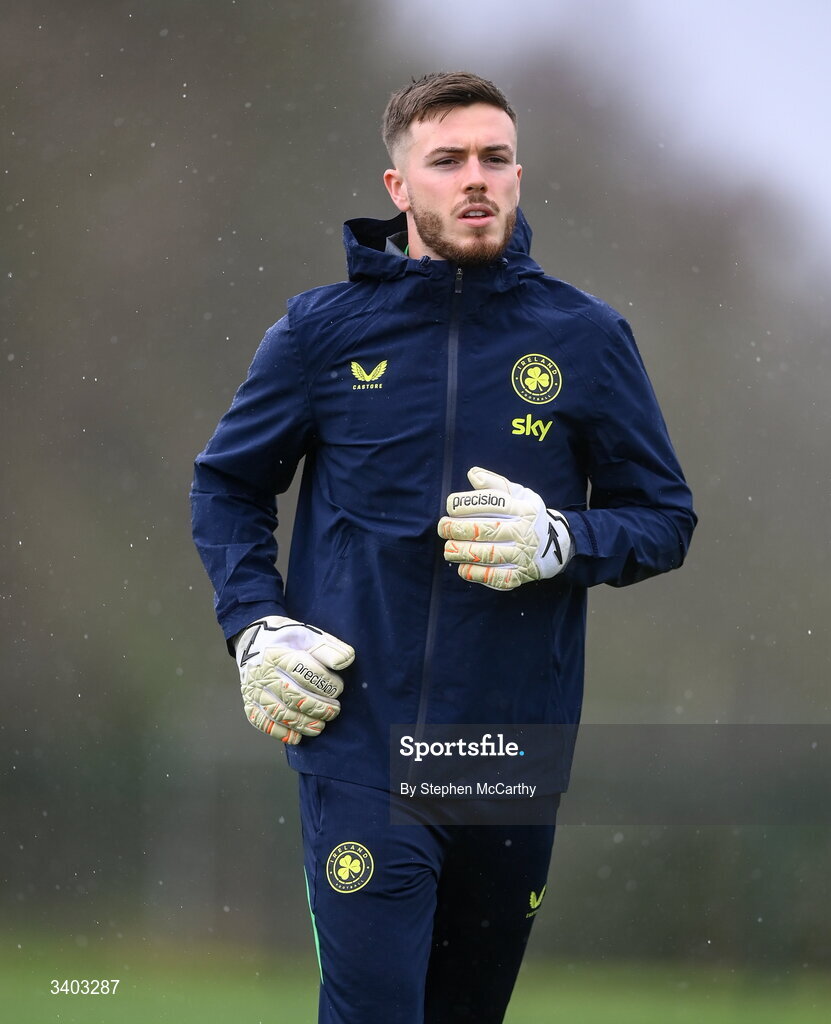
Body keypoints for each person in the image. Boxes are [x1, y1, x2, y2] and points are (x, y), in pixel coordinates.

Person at [191, 71, 696, 1024]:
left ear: (519, 174)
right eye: (449, 159)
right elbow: (225, 485)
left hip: (507, 756)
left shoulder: (585, 338)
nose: (477, 178)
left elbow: (664, 516)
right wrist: (253, 624)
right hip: (362, 749)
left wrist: (561, 540)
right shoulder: (319, 334)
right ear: (399, 187)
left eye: (495, 158)